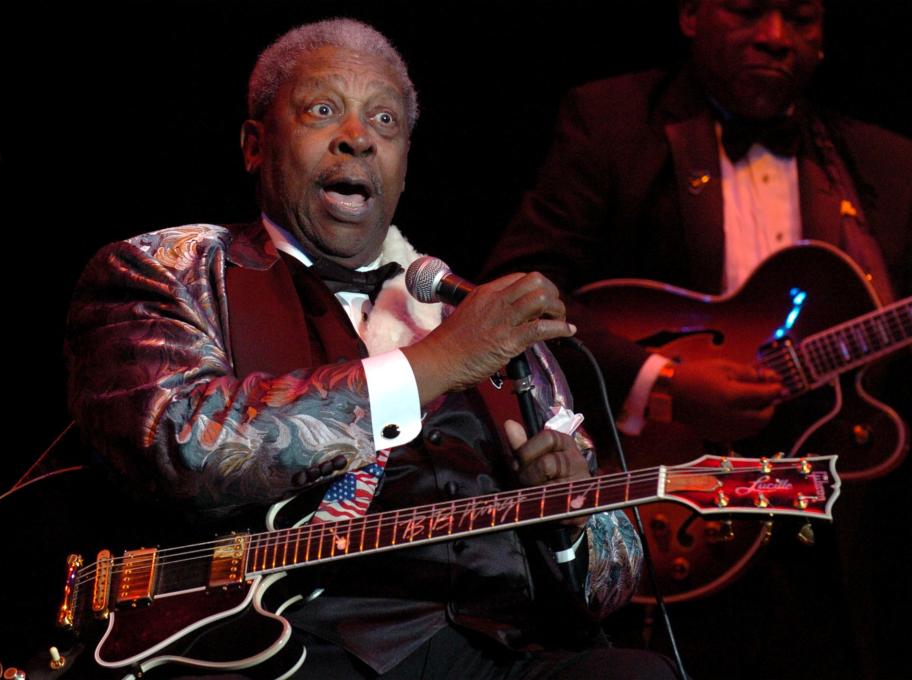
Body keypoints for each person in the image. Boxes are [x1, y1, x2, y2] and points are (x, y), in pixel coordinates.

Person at [65, 18, 679, 680]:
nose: (358, 139)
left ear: (405, 165)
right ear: (254, 143)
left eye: (385, 123)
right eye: (323, 110)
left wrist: (571, 514)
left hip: (499, 649)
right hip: (290, 649)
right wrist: (436, 364)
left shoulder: (482, 318)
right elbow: (177, 445)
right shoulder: (171, 272)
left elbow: (613, 583)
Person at [483, 1, 910, 678]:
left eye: (801, 18)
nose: (775, 38)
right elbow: (517, 285)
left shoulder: (885, 161)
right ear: (690, 16)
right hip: (666, 496)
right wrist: (665, 383)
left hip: (830, 531)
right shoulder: (614, 121)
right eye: (747, 11)